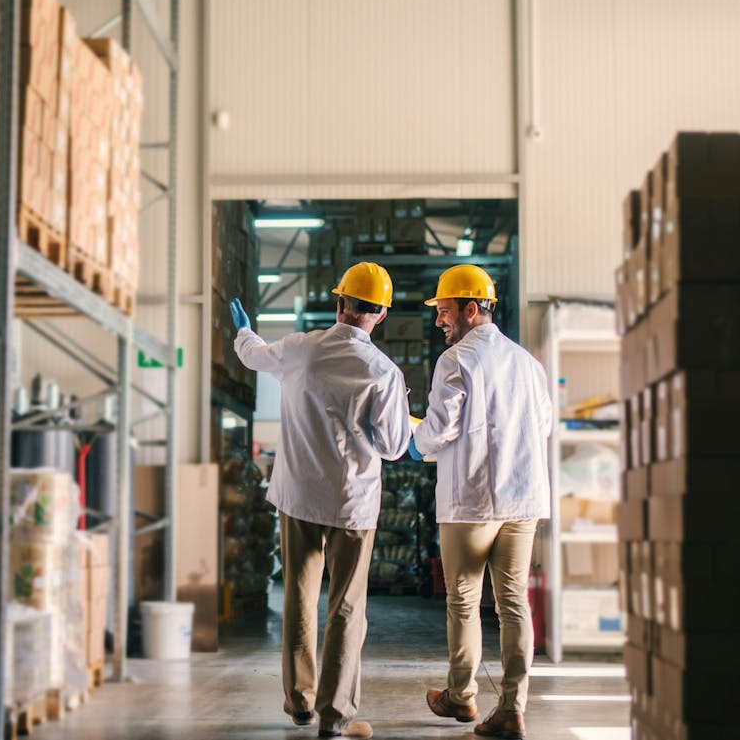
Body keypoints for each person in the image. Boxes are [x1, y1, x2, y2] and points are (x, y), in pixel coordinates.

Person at [229, 261, 410, 740]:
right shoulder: (384, 373)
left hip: (298, 498)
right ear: (381, 315)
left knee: (299, 599)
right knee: (346, 609)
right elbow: (393, 447)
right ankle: (335, 716)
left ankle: (300, 703)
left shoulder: (300, 350)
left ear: (339, 303)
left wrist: (244, 332)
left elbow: (252, 355)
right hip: (353, 504)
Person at [409, 264, 552, 740]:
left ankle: (461, 696)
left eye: (445, 311)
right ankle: (512, 707)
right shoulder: (530, 365)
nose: (438, 322)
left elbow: (440, 430)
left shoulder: (456, 361)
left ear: (472, 309)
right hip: (524, 497)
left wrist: (415, 436)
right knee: (513, 603)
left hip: (471, 501)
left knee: (464, 601)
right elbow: (544, 428)